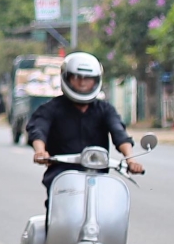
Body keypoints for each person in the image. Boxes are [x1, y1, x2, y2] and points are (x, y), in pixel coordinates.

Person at [27, 52, 142, 204]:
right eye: (77, 77)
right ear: (67, 78)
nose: (82, 83)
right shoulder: (51, 108)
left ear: (96, 81)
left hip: (98, 177)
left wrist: (130, 159)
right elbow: (38, 129)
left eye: (88, 78)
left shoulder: (105, 109)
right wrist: (40, 151)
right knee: (58, 213)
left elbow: (119, 133)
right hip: (62, 178)